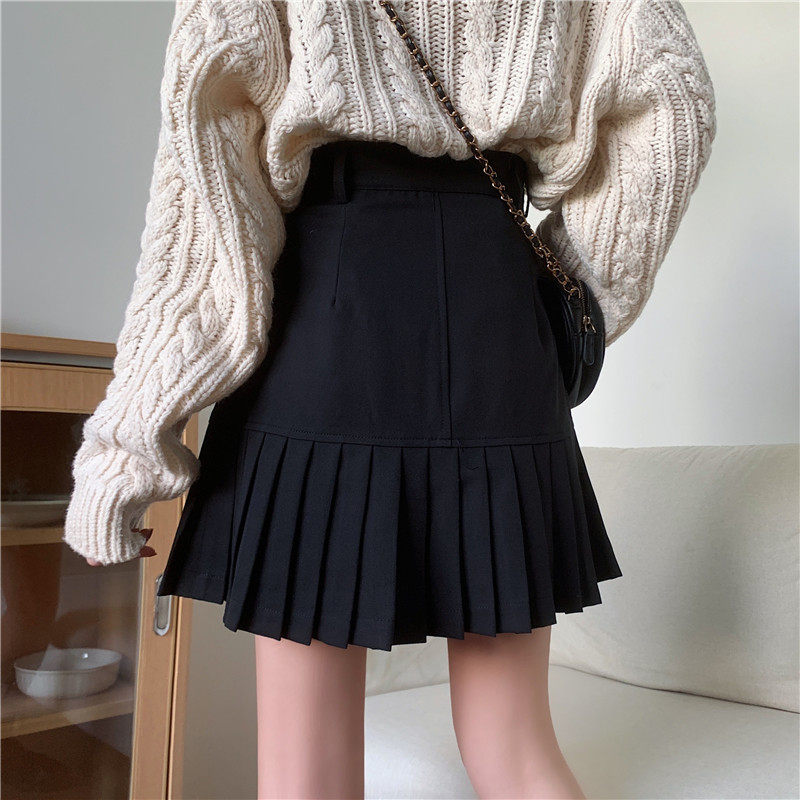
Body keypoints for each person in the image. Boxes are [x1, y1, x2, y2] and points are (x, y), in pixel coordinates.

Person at [63, 1, 716, 797]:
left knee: (305, 773)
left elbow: (207, 187)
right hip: (498, 311)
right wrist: (571, 289)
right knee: (516, 750)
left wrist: (126, 451)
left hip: (329, 310)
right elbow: (672, 97)